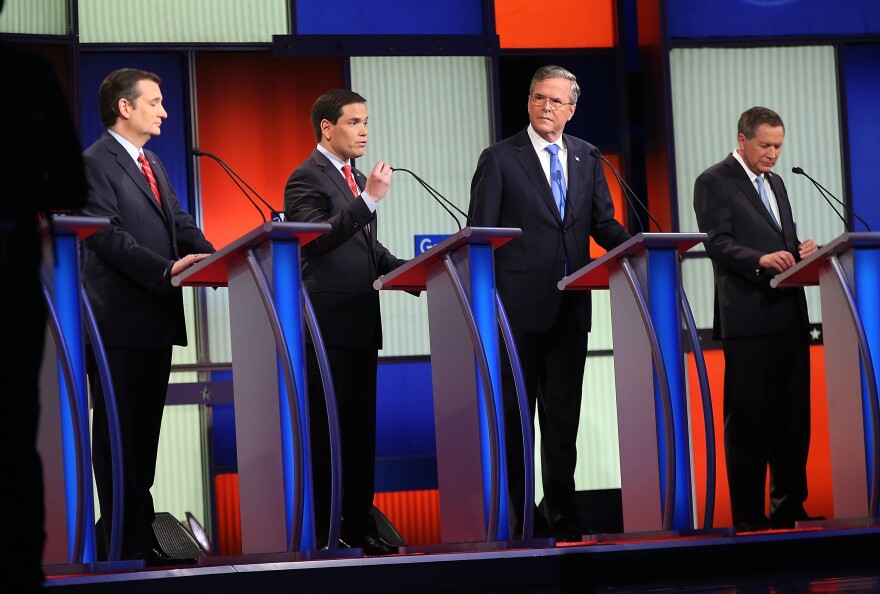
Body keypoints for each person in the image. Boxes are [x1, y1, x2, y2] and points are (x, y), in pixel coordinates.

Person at [468, 65, 631, 540]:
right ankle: (520, 522)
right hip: (515, 313)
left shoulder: (587, 156)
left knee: (562, 423)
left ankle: (563, 517)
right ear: (528, 102)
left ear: (571, 110)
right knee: (516, 422)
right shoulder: (500, 158)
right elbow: (480, 235)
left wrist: (640, 248)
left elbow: (603, 224)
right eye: (539, 97)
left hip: (571, 309)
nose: (546, 107)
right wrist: (486, 308)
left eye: (556, 101)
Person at [78, 68, 215, 562]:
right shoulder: (93, 163)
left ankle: (136, 532)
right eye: (154, 102)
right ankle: (122, 539)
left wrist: (218, 256)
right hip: (116, 325)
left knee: (144, 441)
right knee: (118, 439)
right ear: (125, 107)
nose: (164, 111)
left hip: (155, 320)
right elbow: (104, 235)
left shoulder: (151, 161)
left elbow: (178, 222)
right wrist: (164, 269)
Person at [284, 89, 411, 555]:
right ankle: (325, 531)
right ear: (327, 128)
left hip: (361, 323)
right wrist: (369, 200)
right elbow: (317, 240)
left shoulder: (354, 177)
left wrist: (412, 271)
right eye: (354, 122)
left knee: (359, 436)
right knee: (327, 435)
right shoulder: (305, 178)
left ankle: (358, 525)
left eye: (366, 122)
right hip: (326, 330)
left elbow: (368, 251)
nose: (364, 131)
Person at [693, 106, 822, 532]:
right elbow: (717, 243)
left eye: (778, 147)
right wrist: (760, 260)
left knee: (793, 420)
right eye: (765, 145)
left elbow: (781, 240)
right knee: (748, 423)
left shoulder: (777, 182)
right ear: (742, 139)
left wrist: (800, 251)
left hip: (789, 314)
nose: (772, 154)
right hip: (748, 317)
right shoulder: (714, 181)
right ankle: (749, 518)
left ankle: (789, 509)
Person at [0, 15, 88, 590]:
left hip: (13, 280)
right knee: (13, 432)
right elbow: (70, 188)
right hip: (11, 277)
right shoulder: (28, 74)